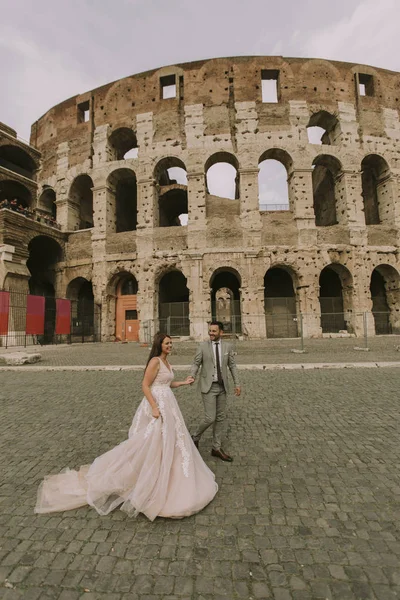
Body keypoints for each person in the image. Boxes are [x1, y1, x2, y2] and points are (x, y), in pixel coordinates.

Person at [35, 333, 218, 521]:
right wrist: (154, 407)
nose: (170, 345)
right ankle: (145, 476)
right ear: (159, 345)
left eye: (171, 343)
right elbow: (146, 386)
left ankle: (169, 475)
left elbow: (165, 383)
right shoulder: (155, 361)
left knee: (171, 440)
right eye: (167, 343)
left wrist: (182, 382)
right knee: (151, 440)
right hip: (157, 406)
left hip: (169, 405)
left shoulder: (166, 361)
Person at [189, 321, 241, 462]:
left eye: (214, 331)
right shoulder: (202, 346)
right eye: (210, 331)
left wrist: (237, 383)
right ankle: (195, 436)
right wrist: (192, 375)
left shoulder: (227, 347)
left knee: (220, 418)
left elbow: (232, 366)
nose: (211, 333)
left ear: (221, 332)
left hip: (222, 387)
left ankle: (216, 448)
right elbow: (196, 363)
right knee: (209, 418)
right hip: (208, 387)